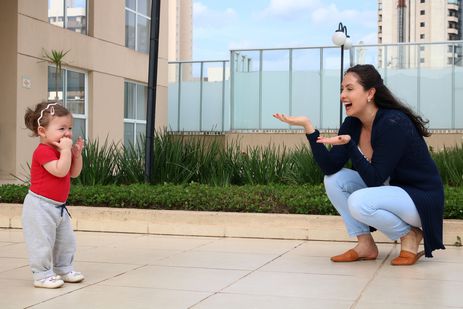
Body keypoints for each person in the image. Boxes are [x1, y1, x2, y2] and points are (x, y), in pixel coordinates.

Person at [273, 64, 444, 265]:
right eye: (341, 89)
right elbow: (330, 166)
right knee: (334, 180)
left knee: (358, 201)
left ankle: (410, 235)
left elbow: (374, 179)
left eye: (350, 89)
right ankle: (365, 244)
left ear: (370, 93)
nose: (342, 95)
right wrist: (309, 129)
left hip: (419, 198)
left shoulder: (393, 122)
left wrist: (352, 146)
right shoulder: (353, 123)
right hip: (391, 192)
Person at [23, 101, 85, 288]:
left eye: (70, 128)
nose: (67, 133)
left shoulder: (61, 151)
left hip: (58, 207)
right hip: (39, 206)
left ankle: (63, 268)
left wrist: (77, 155)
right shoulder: (43, 151)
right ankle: (41, 274)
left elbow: (73, 173)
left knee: (66, 241)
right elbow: (59, 170)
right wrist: (66, 151)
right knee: (41, 242)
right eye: (61, 128)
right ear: (42, 131)